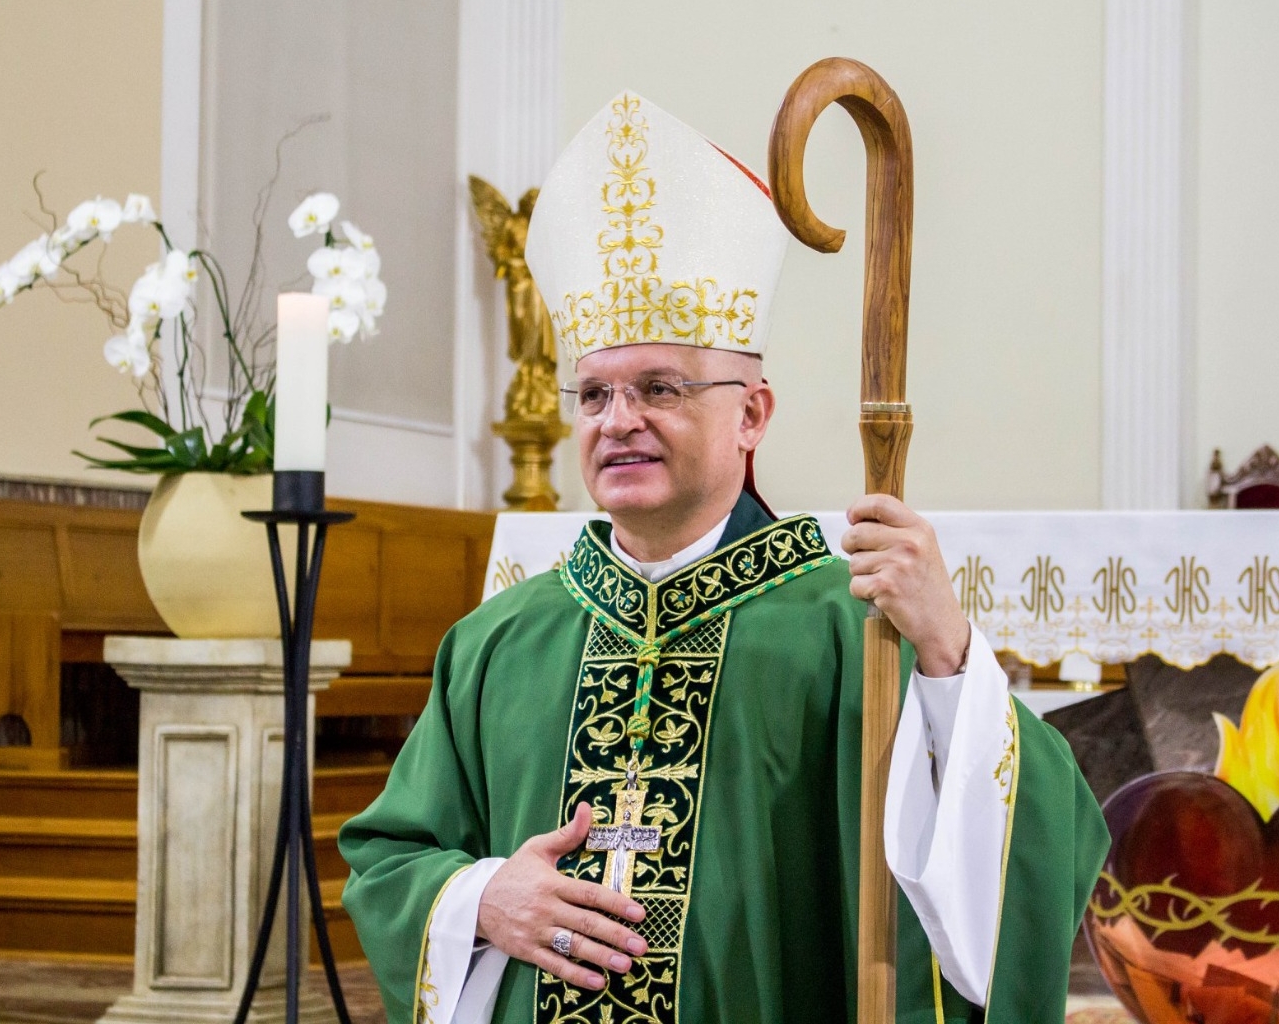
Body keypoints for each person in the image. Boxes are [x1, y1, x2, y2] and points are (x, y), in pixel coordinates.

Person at [340, 91, 1107, 1024]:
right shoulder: (498, 641)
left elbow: (1041, 848)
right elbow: (390, 860)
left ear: (752, 415)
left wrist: (946, 650)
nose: (618, 421)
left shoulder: (849, 629)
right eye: (593, 395)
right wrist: (482, 899)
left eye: (658, 387)